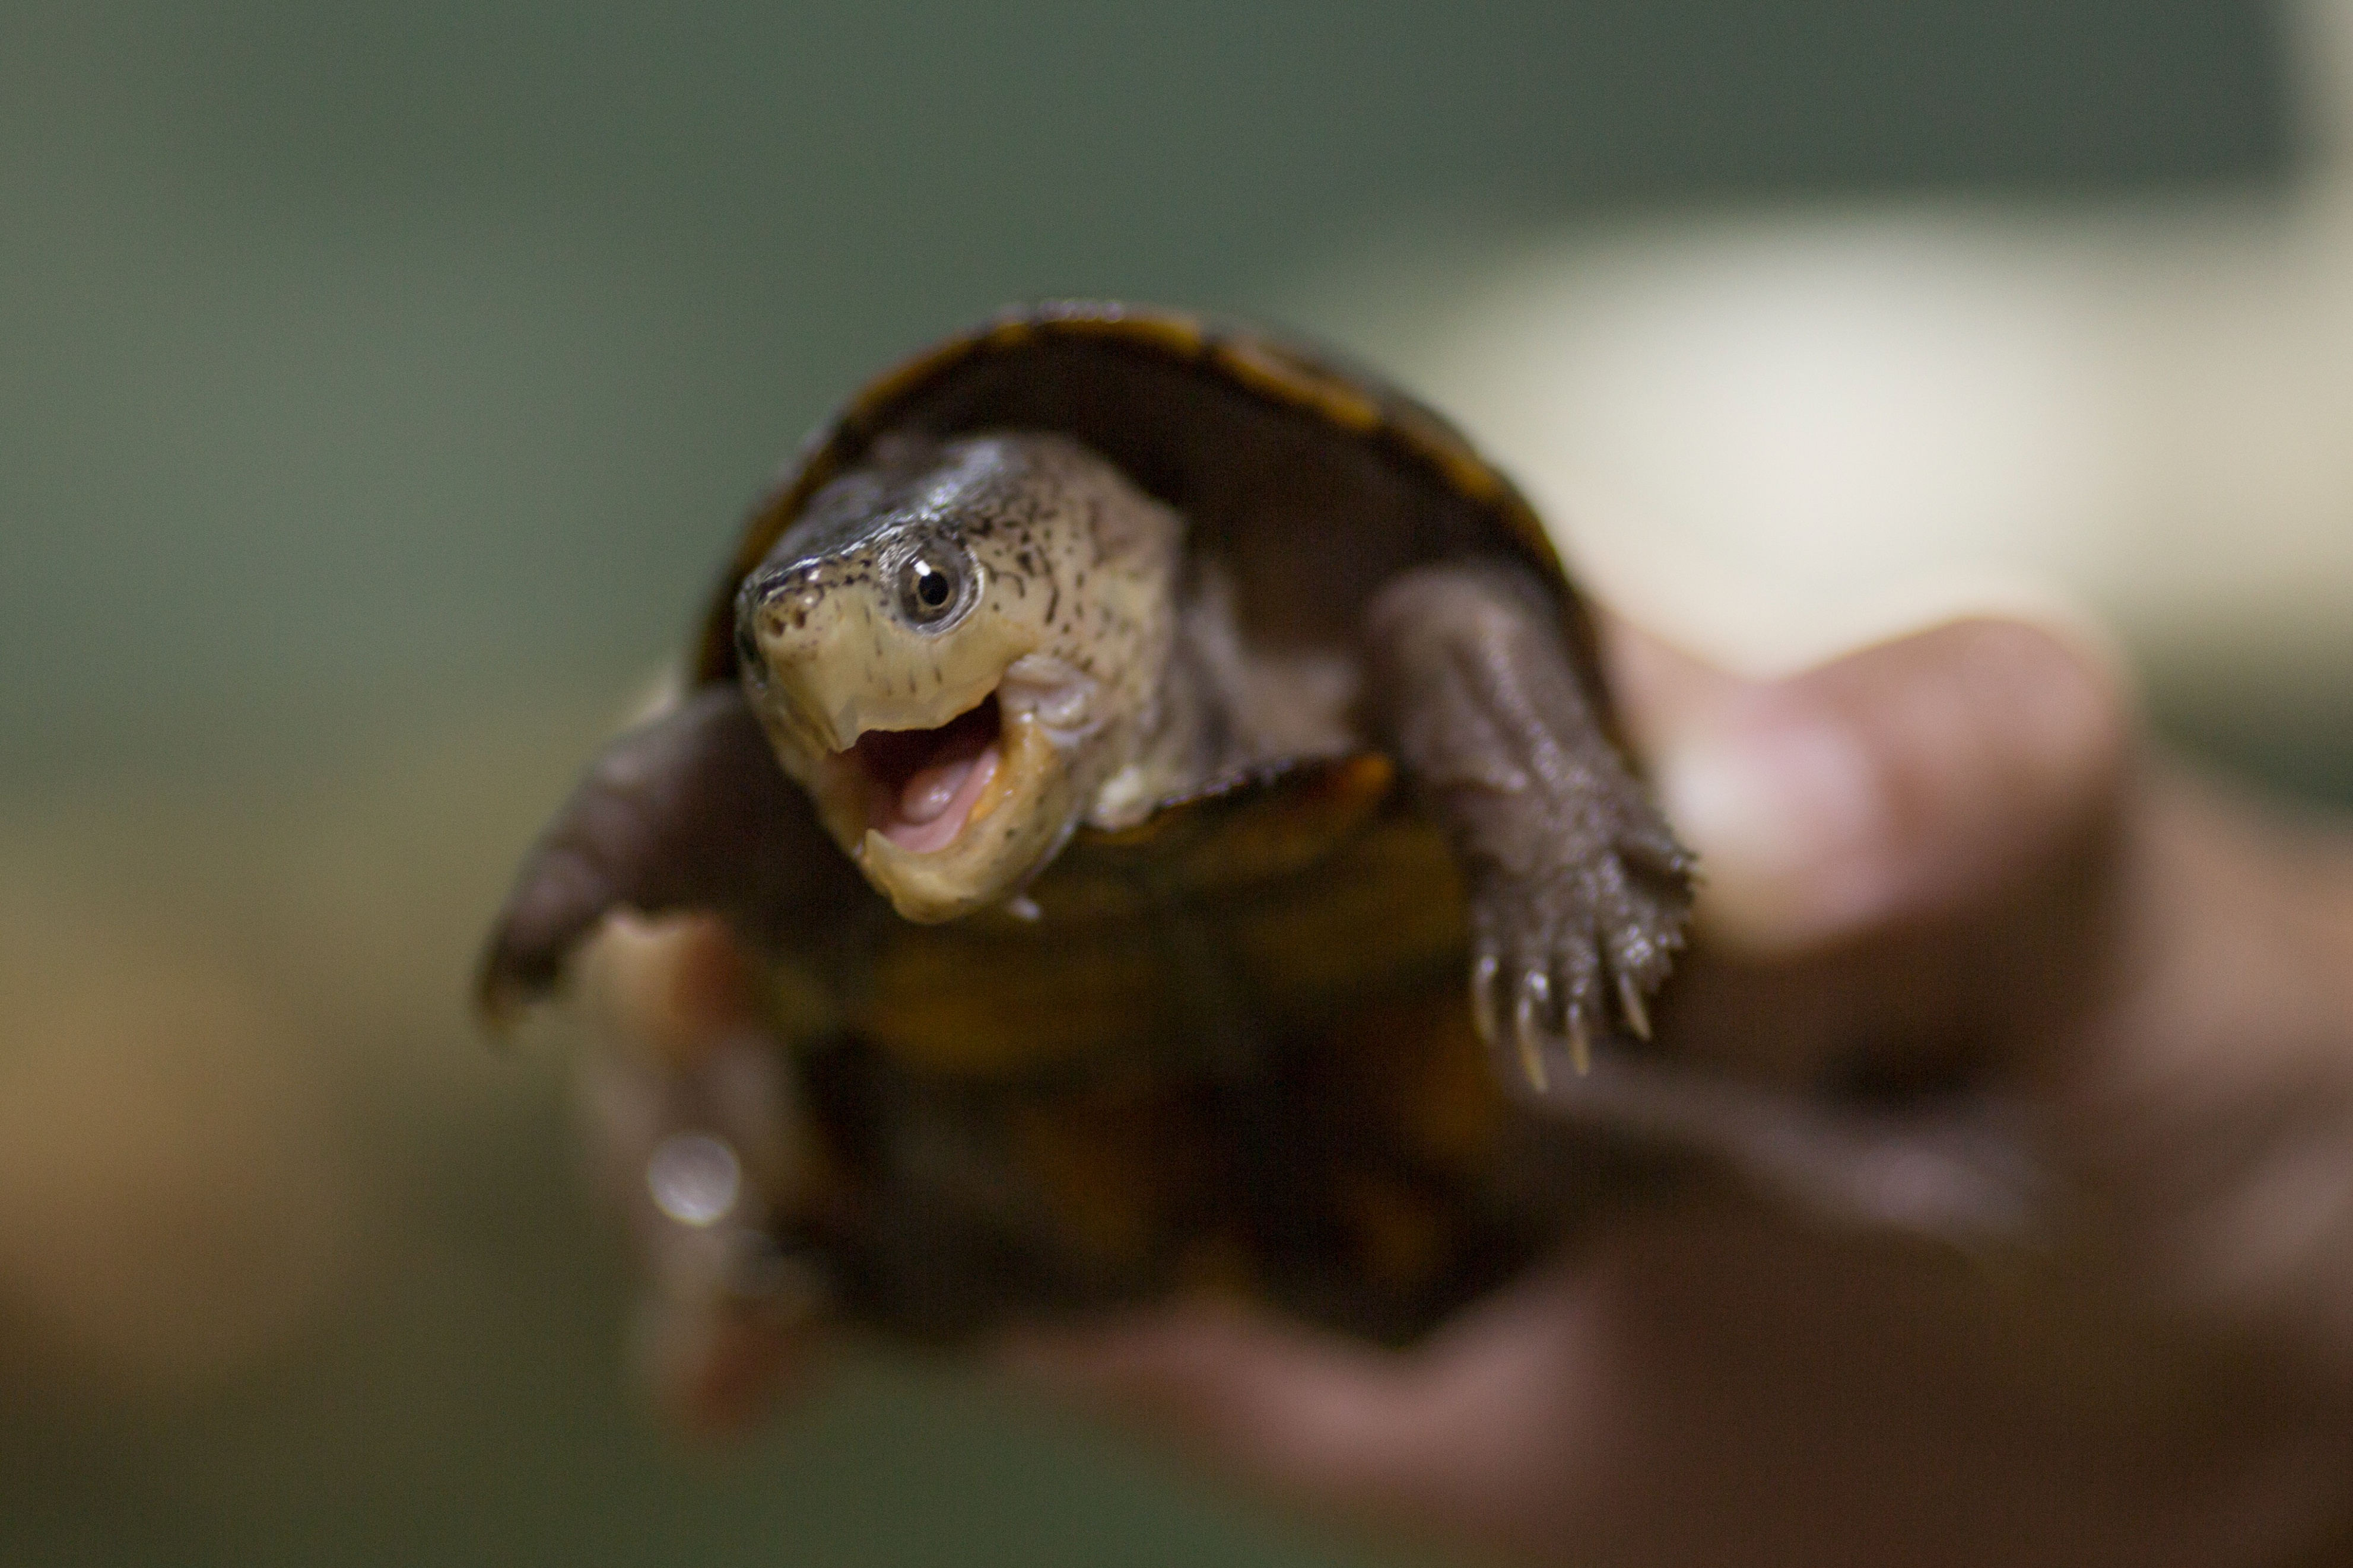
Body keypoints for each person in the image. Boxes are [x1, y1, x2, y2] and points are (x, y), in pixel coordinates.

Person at [573, 605, 2353, 1567]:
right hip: (1109, 1145)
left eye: (932, 602)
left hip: (1498, 1065)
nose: (855, 662)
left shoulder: (1310, 628)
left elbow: (1440, 607)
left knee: (1573, 1066)